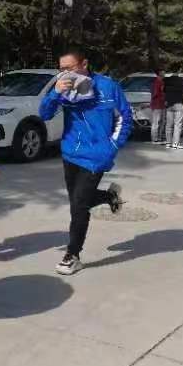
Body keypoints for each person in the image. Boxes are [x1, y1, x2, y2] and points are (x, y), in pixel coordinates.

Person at [39, 47, 132, 275]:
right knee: (77, 202)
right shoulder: (63, 87)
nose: (65, 73)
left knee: (79, 206)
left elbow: (125, 118)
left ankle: (73, 255)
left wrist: (111, 147)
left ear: (84, 64)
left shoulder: (108, 87)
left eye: (69, 68)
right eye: (61, 69)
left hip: (96, 156)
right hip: (70, 153)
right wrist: (55, 93)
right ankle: (109, 196)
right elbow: (44, 114)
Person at [164, 71, 183, 149]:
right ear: (178, 71)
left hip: (169, 104)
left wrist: (166, 100)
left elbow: (163, 92)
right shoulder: (181, 80)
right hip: (179, 104)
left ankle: (168, 143)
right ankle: (175, 144)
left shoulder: (166, 80)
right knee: (177, 124)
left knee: (168, 124)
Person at [150, 69, 166, 144]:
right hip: (157, 104)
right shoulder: (157, 82)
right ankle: (154, 138)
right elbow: (155, 93)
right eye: (163, 72)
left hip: (162, 104)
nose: (164, 73)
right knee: (156, 122)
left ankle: (159, 137)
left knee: (162, 121)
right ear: (159, 73)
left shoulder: (162, 82)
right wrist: (161, 96)